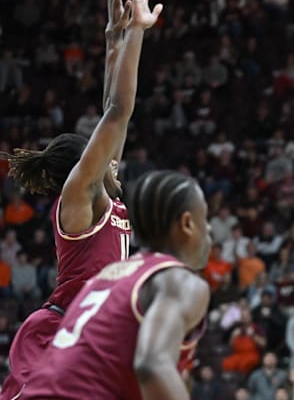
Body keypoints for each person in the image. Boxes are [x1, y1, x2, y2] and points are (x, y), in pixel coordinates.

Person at [0, 0, 161, 397]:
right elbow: (117, 112)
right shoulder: (79, 200)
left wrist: (113, 40)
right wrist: (136, 32)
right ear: (82, 170)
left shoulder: (106, 193)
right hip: (55, 333)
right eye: (99, 155)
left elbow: (114, 108)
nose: (111, 157)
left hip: (85, 333)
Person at [23, 170, 211, 399]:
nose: (209, 229)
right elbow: (152, 366)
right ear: (187, 223)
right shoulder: (179, 281)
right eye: (206, 219)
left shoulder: (111, 274)